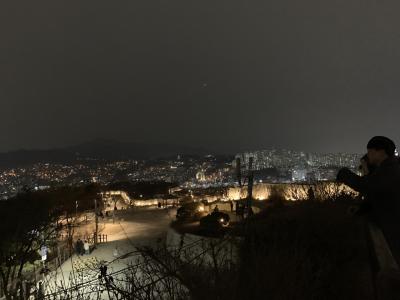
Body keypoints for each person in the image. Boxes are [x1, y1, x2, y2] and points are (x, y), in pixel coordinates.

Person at [336, 136, 400, 263]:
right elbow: (379, 195)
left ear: (381, 151)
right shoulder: (389, 168)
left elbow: (366, 185)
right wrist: (363, 208)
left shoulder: (390, 170)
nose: (368, 155)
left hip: (393, 229)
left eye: (370, 151)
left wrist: (343, 173)